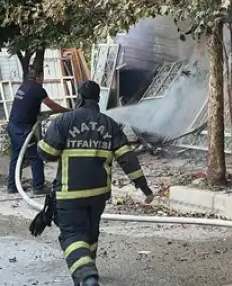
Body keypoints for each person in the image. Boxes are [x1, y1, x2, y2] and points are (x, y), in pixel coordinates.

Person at [37, 80, 154, 286]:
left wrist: (39, 143)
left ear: (79, 98)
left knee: (72, 235)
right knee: (90, 233)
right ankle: (87, 272)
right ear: (98, 99)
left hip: (69, 194)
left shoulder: (64, 121)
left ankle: (87, 275)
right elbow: (128, 159)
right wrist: (144, 188)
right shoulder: (109, 124)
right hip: (98, 195)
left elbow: (48, 154)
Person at [7, 67, 69, 195]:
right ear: (38, 77)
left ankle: (12, 186)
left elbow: (26, 106)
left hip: (13, 126)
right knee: (36, 156)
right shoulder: (38, 90)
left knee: (16, 156)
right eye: (42, 76)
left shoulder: (24, 86)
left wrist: (39, 114)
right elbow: (54, 106)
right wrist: (69, 111)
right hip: (23, 130)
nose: (43, 79)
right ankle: (38, 187)